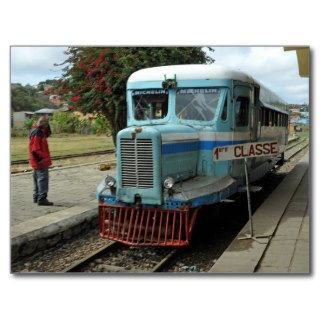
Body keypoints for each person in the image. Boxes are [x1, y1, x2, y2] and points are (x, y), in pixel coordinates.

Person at [29, 116, 54, 206]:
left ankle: (36, 197)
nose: (47, 125)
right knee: (43, 180)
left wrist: (47, 127)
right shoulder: (38, 132)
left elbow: (48, 134)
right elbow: (35, 149)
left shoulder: (36, 130)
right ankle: (42, 199)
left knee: (37, 180)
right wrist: (41, 160)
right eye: (46, 123)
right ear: (41, 122)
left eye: (47, 123)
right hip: (40, 161)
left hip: (36, 161)